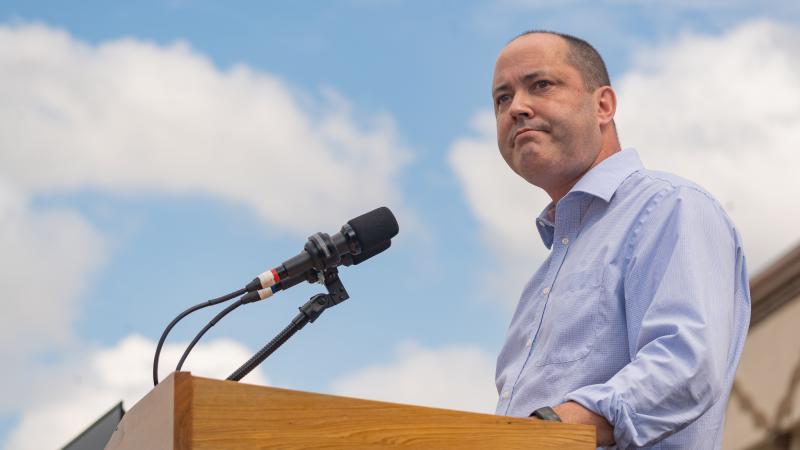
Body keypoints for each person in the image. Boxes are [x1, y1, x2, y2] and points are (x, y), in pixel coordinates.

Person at [491, 31, 751, 449]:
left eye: (540, 85)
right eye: (502, 99)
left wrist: (549, 433)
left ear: (603, 105)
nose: (517, 107)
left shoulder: (669, 206)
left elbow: (685, 364)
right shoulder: (539, 282)